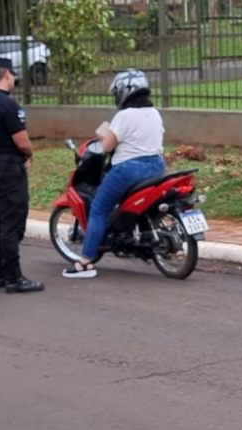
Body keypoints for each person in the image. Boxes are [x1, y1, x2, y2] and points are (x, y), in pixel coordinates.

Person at [62, 69, 166, 279]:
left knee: (99, 209)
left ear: (123, 92)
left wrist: (104, 134)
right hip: (157, 167)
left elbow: (106, 147)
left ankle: (85, 262)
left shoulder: (124, 115)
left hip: (128, 170)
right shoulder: (155, 112)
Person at [0, 57, 44, 294]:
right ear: (6, 74)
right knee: (11, 222)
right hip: (8, 169)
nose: (14, 78)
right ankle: (14, 277)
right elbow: (21, 140)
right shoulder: (8, 105)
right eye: (13, 75)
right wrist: (29, 153)